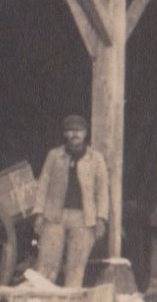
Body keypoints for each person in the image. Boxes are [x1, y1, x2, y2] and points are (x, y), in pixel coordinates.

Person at [30, 115, 110, 289]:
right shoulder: (54, 156)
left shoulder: (96, 159)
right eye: (71, 131)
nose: (75, 135)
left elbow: (102, 191)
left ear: (85, 133)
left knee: (76, 268)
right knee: (46, 265)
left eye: (79, 131)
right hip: (54, 216)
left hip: (84, 219)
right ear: (65, 134)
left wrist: (101, 219)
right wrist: (38, 213)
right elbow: (43, 185)